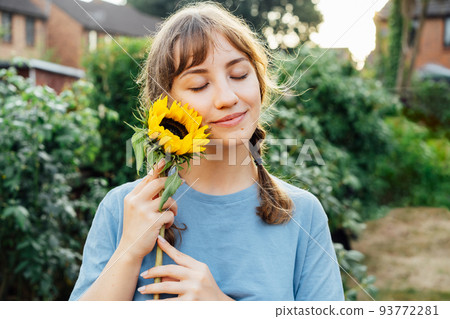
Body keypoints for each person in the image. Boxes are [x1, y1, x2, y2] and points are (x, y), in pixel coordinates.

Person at [69, 2, 344, 301]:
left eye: (239, 75)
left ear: (260, 84)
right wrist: (129, 251)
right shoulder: (123, 209)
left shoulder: (303, 214)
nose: (227, 97)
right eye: (200, 85)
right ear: (166, 109)